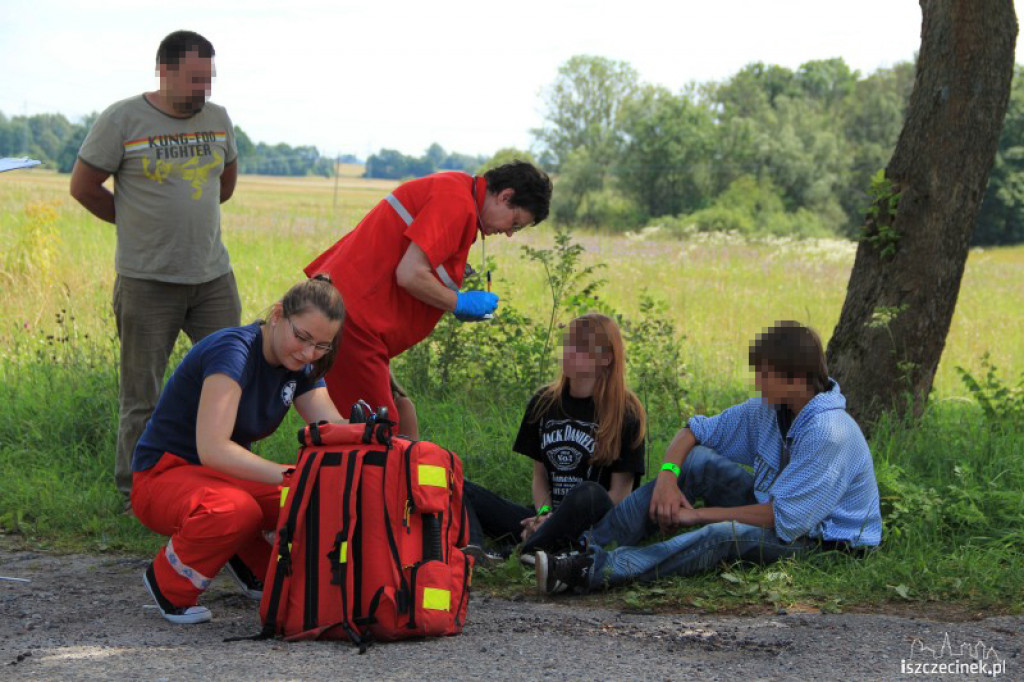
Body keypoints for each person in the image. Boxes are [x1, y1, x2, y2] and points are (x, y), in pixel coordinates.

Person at [535, 321, 883, 594]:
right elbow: (694, 431)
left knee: (721, 534)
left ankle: (590, 570)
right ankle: (582, 545)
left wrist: (696, 515)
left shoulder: (828, 432)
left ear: (796, 379)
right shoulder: (771, 408)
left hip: (823, 542)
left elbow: (783, 519)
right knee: (697, 460)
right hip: (778, 510)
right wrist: (668, 478)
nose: (757, 383)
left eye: (765, 375)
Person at [69, 30, 241, 504]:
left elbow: (225, 183)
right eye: (194, 79)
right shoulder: (122, 119)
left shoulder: (218, 119)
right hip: (147, 282)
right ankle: (136, 494)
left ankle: (229, 484)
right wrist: (133, 224)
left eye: (208, 78)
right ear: (164, 70)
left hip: (213, 278)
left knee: (231, 383)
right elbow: (83, 187)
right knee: (141, 396)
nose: (203, 89)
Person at [130, 276, 346, 624]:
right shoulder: (233, 351)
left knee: (314, 495)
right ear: (278, 315)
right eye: (302, 337)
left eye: (322, 346)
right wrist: (291, 474)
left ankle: (246, 559)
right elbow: (213, 449)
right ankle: (169, 584)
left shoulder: (299, 364)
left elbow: (332, 429)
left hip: (220, 478)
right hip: (162, 476)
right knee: (237, 509)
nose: (309, 353)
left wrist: (376, 436)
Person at [304, 161, 552, 433]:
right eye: (514, 223)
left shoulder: (456, 190)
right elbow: (410, 274)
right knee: (377, 433)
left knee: (399, 414)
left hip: (350, 314)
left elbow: (408, 256)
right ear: (505, 196)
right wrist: (459, 302)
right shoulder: (458, 204)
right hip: (352, 321)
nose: (509, 233)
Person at [464, 313, 647, 561]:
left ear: (606, 357)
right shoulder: (544, 402)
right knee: (459, 485)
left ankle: (519, 552)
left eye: (581, 347)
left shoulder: (626, 411)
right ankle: (475, 554)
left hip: (591, 527)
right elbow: (539, 476)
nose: (569, 352)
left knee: (589, 492)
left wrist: (552, 524)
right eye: (568, 343)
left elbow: (619, 496)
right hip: (545, 516)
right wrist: (543, 515)